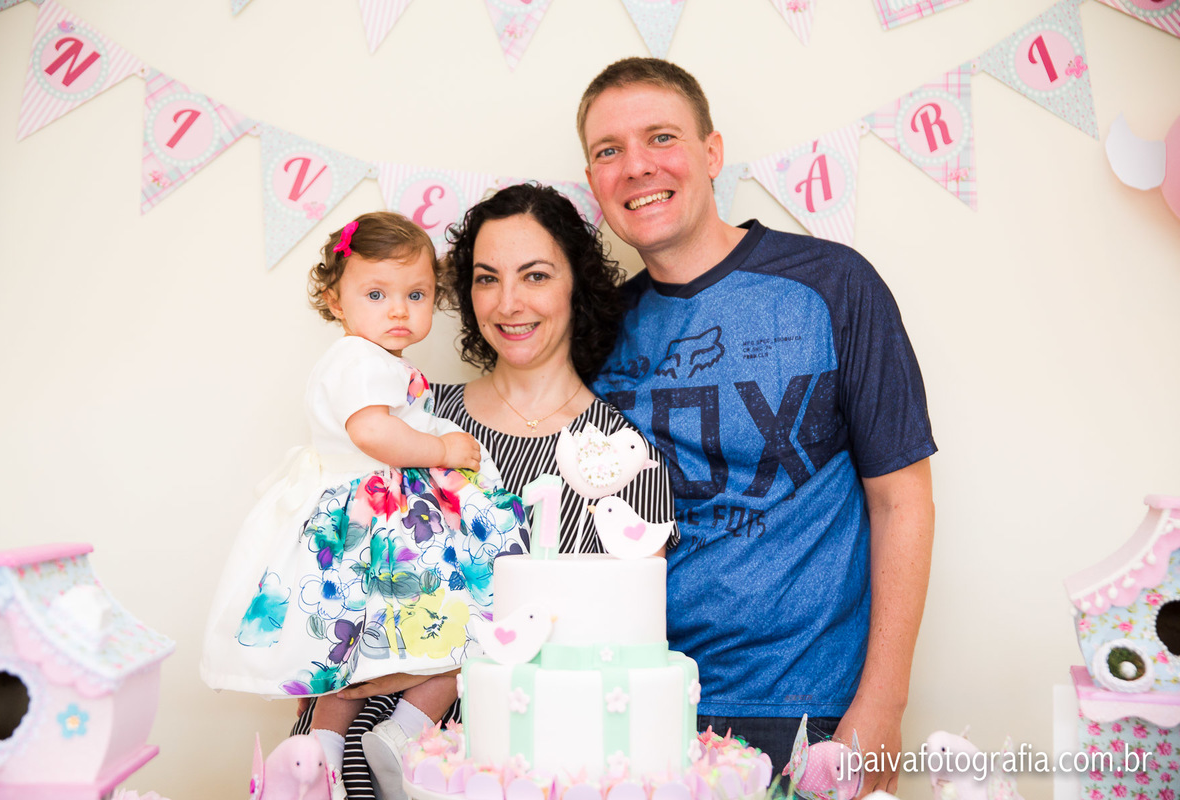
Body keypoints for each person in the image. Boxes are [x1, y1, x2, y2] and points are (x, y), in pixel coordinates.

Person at [580, 58, 937, 794]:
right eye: (608, 150)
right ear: (593, 181)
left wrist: (883, 703)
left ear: (712, 153)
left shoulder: (832, 284)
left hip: (809, 710)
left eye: (661, 137)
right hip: (639, 708)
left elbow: (901, 500)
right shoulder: (597, 329)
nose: (637, 166)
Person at [294, 183, 677, 800]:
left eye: (535, 275)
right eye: (486, 277)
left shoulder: (624, 456)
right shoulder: (414, 419)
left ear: (576, 285)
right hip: (351, 758)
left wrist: (437, 656)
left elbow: (612, 644)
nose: (508, 302)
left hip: (522, 765)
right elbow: (328, 558)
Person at [201, 212, 529, 799]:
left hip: (382, 518)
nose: (398, 309)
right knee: (462, 624)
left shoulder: (377, 361)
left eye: (416, 294)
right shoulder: (357, 360)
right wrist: (443, 447)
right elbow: (373, 434)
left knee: (351, 647)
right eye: (376, 293)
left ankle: (333, 750)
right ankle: (400, 733)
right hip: (377, 521)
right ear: (336, 299)